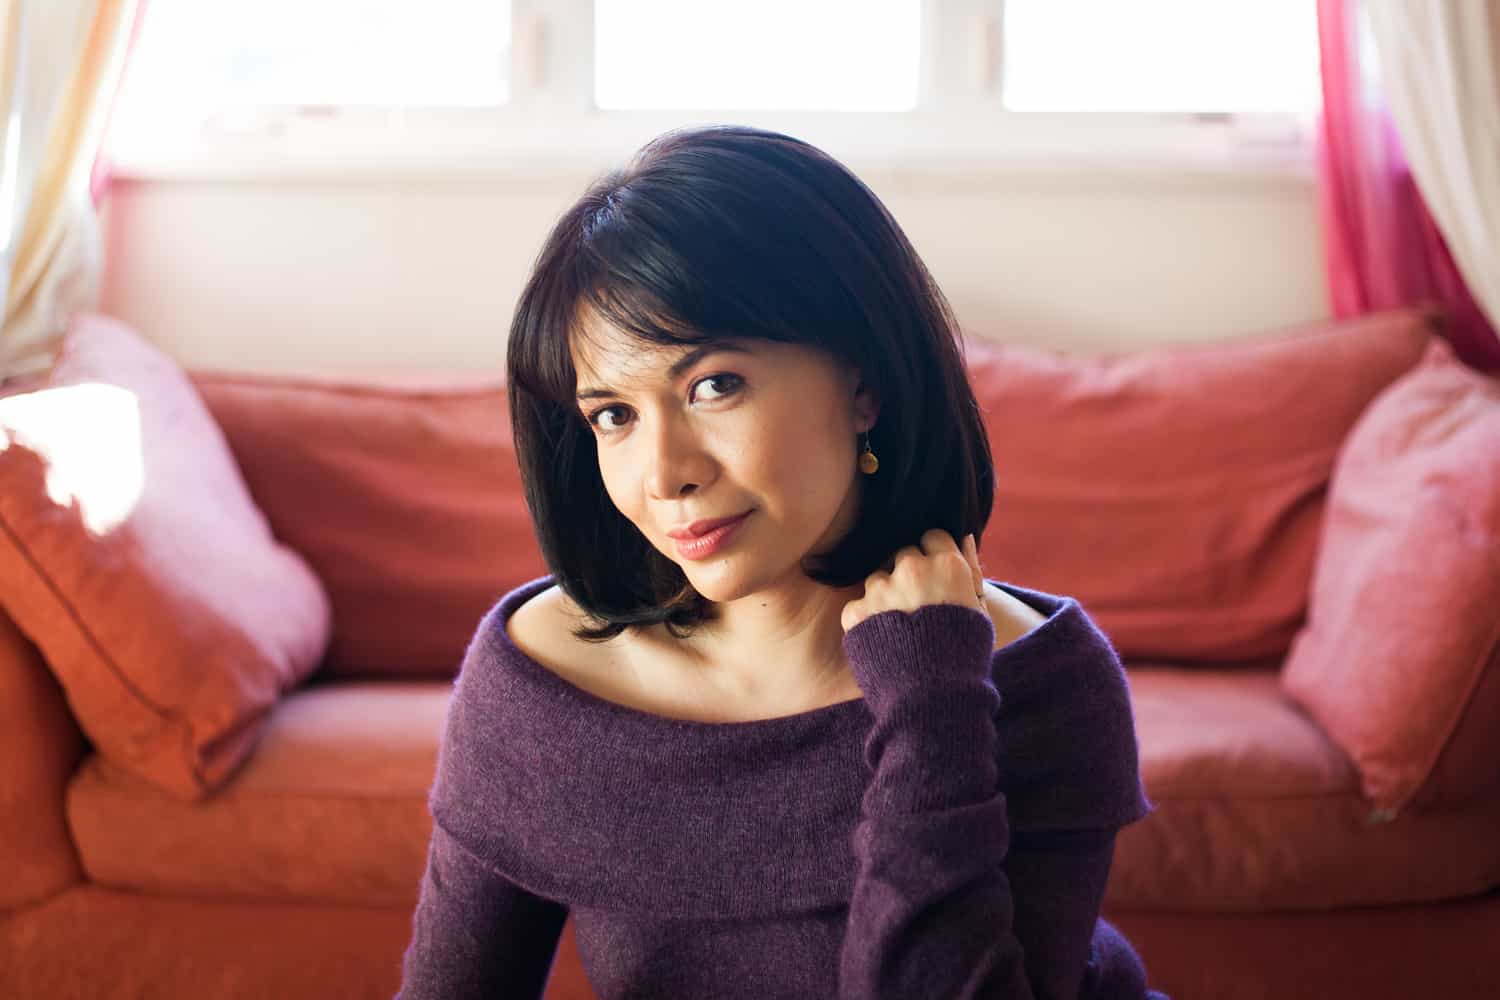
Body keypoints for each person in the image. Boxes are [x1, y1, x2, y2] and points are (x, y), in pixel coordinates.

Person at [396, 124, 1167, 999]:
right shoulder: (543, 679)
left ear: (864, 384)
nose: (665, 474)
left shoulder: (1034, 678)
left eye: (713, 385)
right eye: (614, 414)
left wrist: (932, 704)